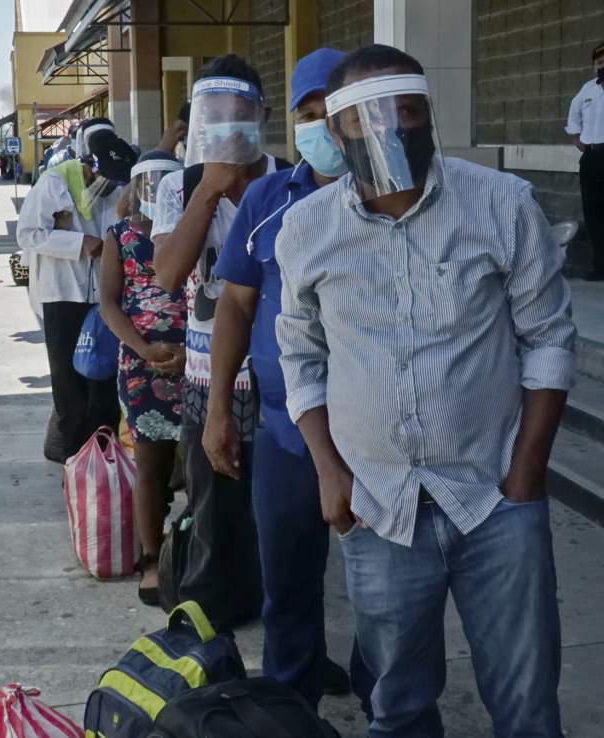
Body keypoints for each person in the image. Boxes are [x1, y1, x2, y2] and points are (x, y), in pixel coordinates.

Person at [276, 44, 576, 737]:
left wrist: (526, 476)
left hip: (494, 499)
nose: (388, 129)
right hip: (379, 506)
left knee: (527, 706)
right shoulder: (308, 231)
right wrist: (330, 474)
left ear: (428, 116)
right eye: (366, 118)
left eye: (405, 111)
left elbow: (549, 338)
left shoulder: (501, 206)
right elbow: (301, 354)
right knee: (398, 706)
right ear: (338, 132)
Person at [204, 48, 353, 707]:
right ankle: (293, 708)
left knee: (389, 588)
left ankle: (387, 695)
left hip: (376, 432)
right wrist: (216, 412)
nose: (319, 124)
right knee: (288, 583)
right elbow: (235, 305)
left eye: (333, 110)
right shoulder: (268, 198)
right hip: (284, 432)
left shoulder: (390, 196)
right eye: (306, 113)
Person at [152, 53, 289, 629]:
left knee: (281, 517)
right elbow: (166, 274)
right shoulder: (177, 184)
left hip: (280, 376)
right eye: (216, 114)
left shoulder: (289, 179)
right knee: (212, 509)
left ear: (261, 116)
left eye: (240, 113)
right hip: (207, 379)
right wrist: (207, 192)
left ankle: (285, 632)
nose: (228, 125)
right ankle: (210, 635)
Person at [18, 123, 138, 463]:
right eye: (100, 177)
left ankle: (104, 453)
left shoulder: (118, 182)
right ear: (86, 162)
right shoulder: (55, 182)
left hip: (104, 297)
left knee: (103, 377)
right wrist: (77, 243)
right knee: (68, 381)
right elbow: (27, 234)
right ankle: (74, 456)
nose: (106, 186)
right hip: (62, 295)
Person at [98, 152, 187, 605]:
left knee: (210, 464)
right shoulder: (122, 235)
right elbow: (109, 303)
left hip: (202, 363)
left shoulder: (198, 231)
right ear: (137, 189)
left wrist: (193, 352)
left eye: (167, 184)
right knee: (151, 461)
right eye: (149, 184)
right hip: (142, 364)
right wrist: (145, 349)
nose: (158, 193)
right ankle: (152, 558)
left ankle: (201, 552)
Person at [566, 41, 604, 280]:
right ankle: (600, 266)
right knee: (594, 213)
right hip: (592, 157)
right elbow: (573, 116)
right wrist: (579, 139)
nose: (602, 65)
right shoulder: (587, 89)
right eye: (598, 62)